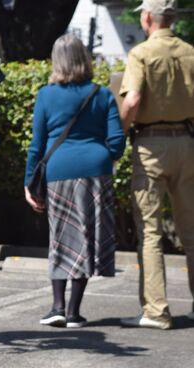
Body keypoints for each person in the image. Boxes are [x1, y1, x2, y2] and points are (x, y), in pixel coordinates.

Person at [24, 34, 125, 328]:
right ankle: (73, 312)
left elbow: (38, 145)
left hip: (59, 171)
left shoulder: (46, 94)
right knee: (86, 237)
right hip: (96, 171)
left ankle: (56, 307)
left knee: (61, 238)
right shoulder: (102, 93)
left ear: (57, 61)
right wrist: (103, 155)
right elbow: (117, 142)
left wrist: (30, 183)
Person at [119, 0, 194, 329]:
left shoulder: (142, 53)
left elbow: (132, 99)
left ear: (148, 18)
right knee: (191, 233)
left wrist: (119, 133)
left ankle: (156, 311)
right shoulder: (191, 52)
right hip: (187, 143)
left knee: (150, 232)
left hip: (151, 145)